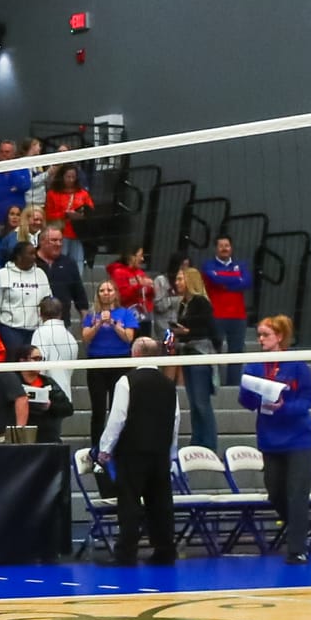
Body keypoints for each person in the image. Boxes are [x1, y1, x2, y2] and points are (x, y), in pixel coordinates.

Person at [241, 315, 311, 565]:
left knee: (297, 494)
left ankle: (297, 549)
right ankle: (306, 526)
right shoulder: (254, 366)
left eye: (266, 335)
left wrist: (284, 407)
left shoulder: (297, 365)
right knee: (275, 492)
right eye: (259, 335)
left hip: (298, 439)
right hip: (270, 439)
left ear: (280, 337)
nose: (261, 340)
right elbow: (246, 401)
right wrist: (251, 395)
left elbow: (306, 401)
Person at [98, 338, 179, 566]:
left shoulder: (127, 381)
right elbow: (176, 419)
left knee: (129, 502)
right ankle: (165, 550)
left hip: (132, 451)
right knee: (161, 502)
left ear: (135, 354)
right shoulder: (168, 383)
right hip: (160, 451)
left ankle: (126, 552)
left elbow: (118, 418)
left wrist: (104, 448)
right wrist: (171, 451)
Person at [82, 279, 140, 443]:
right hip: (96, 363)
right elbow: (85, 337)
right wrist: (99, 323)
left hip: (120, 363)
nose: (106, 293)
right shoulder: (92, 315)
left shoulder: (125, 313)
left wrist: (113, 323)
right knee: (98, 410)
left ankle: (118, 445)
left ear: (115, 293)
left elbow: (128, 338)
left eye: (109, 290)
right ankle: (96, 446)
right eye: (102, 290)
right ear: (98, 294)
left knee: (119, 409)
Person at [170, 264, 219, 452]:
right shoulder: (183, 304)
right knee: (193, 402)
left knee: (201, 402)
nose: (176, 282)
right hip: (187, 353)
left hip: (200, 353)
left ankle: (209, 444)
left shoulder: (201, 302)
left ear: (190, 281)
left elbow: (208, 329)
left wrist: (187, 331)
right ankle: (197, 440)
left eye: (180, 279)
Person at [0, 241, 52, 357]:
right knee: (14, 362)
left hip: (35, 329)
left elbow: (47, 300)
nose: (34, 257)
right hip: (11, 330)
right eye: (31, 254)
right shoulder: (2, 274)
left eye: (35, 253)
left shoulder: (40, 274)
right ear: (19, 256)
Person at [201, 235, 251, 354]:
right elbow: (215, 280)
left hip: (238, 316)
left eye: (227, 245)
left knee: (237, 353)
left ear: (231, 248)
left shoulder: (241, 265)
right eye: (221, 246)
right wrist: (237, 279)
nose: (224, 248)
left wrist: (224, 282)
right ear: (215, 248)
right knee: (214, 352)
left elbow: (247, 283)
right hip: (216, 315)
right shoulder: (208, 265)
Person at [43, 164, 93, 270]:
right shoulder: (52, 194)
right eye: (68, 177)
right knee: (59, 263)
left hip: (78, 233)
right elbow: (48, 215)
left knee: (78, 263)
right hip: (60, 233)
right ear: (62, 177)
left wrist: (81, 215)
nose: (71, 180)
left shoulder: (83, 194)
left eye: (73, 177)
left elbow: (91, 212)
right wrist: (65, 214)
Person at [36, 225, 90, 320]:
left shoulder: (69, 263)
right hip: (34, 321)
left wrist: (85, 321)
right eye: (54, 240)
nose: (58, 244)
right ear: (41, 242)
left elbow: (79, 295)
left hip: (62, 322)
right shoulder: (31, 261)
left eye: (61, 240)